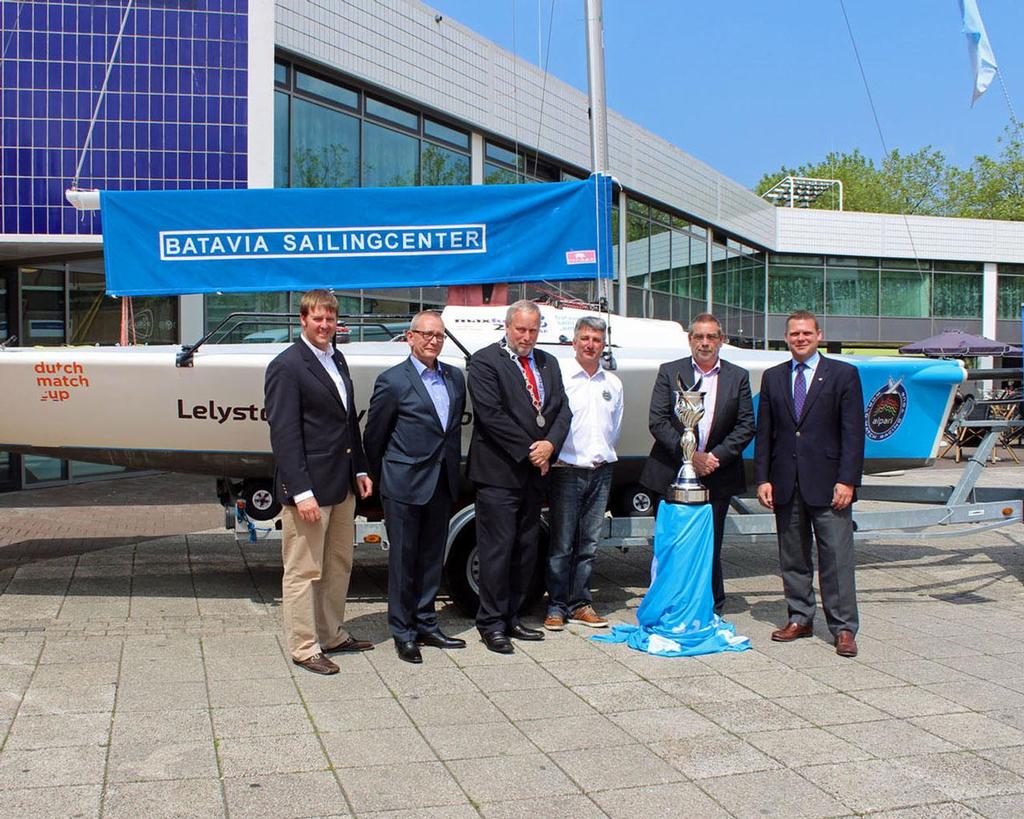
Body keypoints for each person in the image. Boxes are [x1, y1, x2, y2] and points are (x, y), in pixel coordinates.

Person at [264, 289, 374, 675]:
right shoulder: (286, 366)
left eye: (330, 319)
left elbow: (348, 422)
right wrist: (301, 492)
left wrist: (359, 469)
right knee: (303, 571)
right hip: (309, 489)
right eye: (317, 319)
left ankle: (331, 634)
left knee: (339, 563)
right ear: (303, 321)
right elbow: (285, 435)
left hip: (341, 483)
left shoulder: (336, 358)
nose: (325, 325)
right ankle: (304, 646)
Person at [754, 310, 864, 658]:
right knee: (793, 557)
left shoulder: (843, 375)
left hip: (829, 484)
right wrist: (762, 479)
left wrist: (847, 480)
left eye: (806, 333)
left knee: (836, 558)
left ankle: (843, 628)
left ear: (819, 335)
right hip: (786, 483)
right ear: (785, 338)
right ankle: (800, 617)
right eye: (793, 334)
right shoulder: (773, 377)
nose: (800, 339)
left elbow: (853, 433)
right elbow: (765, 434)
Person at [467, 299, 571, 653]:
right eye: (521, 329)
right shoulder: (484, 361)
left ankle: (512, 616)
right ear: (507, 327)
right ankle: (491, 623)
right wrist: (534, 451)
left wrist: (551, 446)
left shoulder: (548, 362)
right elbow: (491, 415)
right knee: (497, 550)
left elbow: (562, 411)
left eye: (533, 329)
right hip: (500, 472)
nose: (527, 336)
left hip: (534, 474)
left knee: (526, 549)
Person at [363, 311, 467, 664]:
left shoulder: (455, 378)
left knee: (431, 559)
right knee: (404, 560)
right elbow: (374, 436)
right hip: (403, 483)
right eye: (426, 334)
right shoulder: (392, 381)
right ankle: (403, 632)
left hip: (441, 481)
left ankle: (426, 623)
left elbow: (450, 432)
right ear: (410, 337)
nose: (433, 341)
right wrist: (381, 479)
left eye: (439, 335)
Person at [639, 313, 755, 615]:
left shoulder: (738, 376)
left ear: (721, 340)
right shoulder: (670, 371)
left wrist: (714, 457)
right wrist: (692, 457)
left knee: (709, 544)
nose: (705, 343)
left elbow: (745, 425)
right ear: (690, 339)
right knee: (673, 543)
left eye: (711, 337)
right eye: (699, 337)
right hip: (671, 472)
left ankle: (709, 606)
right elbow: (658, 420)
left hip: (718, 473)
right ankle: (669, 602)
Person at [544, 316, 623, 632]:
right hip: (565, 471)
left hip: (600, 472)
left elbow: (613, 429)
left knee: (589, 544)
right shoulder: (561, 378)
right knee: (562, 543)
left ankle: (580, 604)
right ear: (573, 342)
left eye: (597, 340)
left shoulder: (612, 384)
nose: (591, 345)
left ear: (604, 345)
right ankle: (555, 606)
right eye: (585, 338)